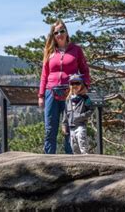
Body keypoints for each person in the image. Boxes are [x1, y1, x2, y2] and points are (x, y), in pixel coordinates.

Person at [38, 20, 91, 154]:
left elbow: (85, 70)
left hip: (70, 93)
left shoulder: (76, 50)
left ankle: (71, 160)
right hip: (51, 92)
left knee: (70, 128)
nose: (60, 34)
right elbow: (44, 74)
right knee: (50, 128)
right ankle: (49, 160)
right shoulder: (49, 51)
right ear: (53, 35)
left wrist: (85, 86)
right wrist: (41, 95)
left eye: (62, 31)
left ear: (67, 32)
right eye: (56, 32)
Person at [61, 74, 93, 154]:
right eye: (72, 83)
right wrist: (64, 125)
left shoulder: (85, 98)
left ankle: (86, 158)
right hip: (71, 127)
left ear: (82, 84)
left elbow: (91, 110)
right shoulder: (68, 99)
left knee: (82, 141)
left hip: (81, 125)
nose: (75, 85)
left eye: (77, 83)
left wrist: (81, 116)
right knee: (74, 146)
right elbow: (65, 113)